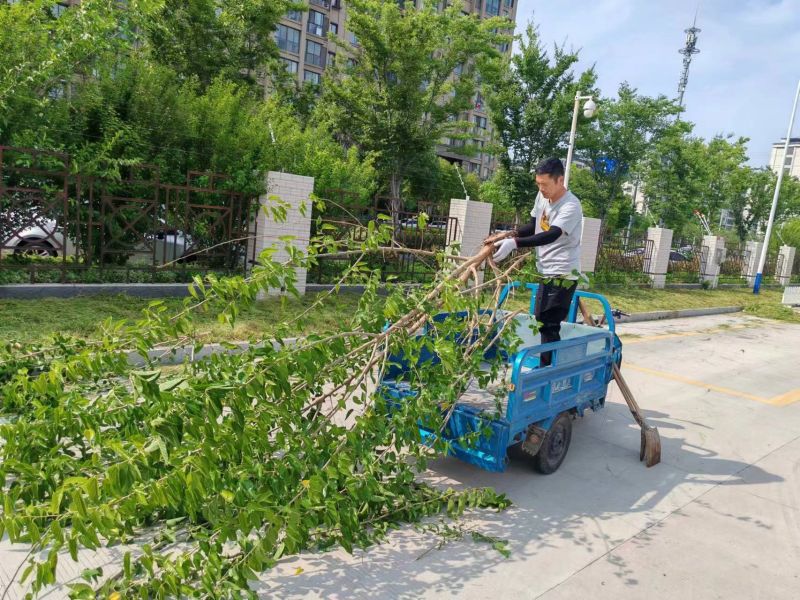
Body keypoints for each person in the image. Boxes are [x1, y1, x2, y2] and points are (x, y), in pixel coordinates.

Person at [491, 157, 583, 366]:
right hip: (545, 270)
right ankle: (547, 367)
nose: (541, 189)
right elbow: (533, 226)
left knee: (549, 324)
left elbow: (551, 234)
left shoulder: (571, 205)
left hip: (563, 273)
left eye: (545, 185)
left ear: (560, 181)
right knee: (541, 319)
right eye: (538, 184)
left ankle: (547, 371)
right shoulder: (542, 197)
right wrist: (509, 235)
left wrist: (515, 243)